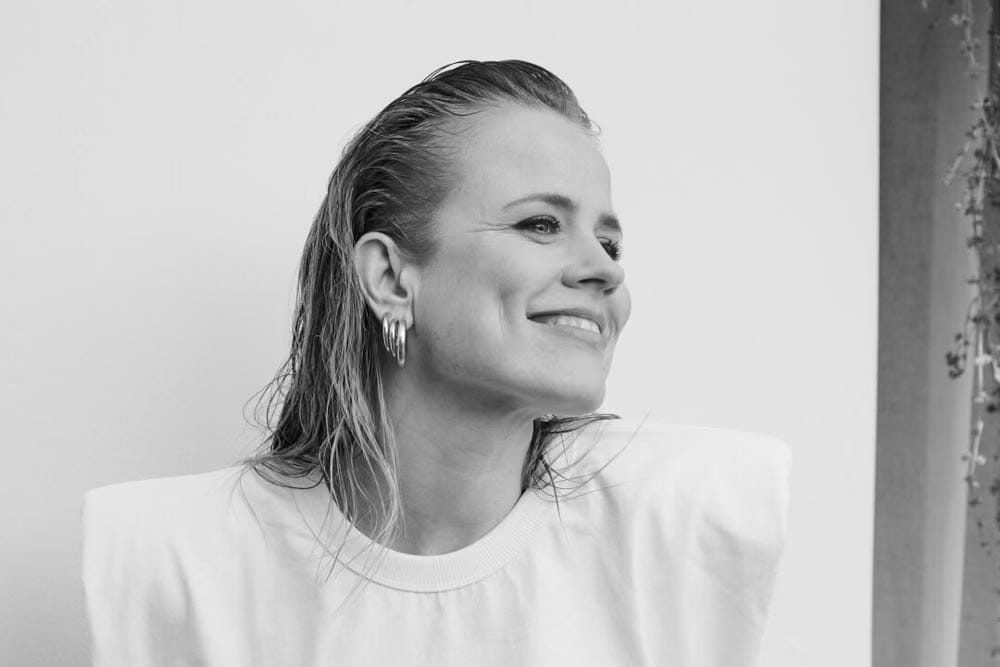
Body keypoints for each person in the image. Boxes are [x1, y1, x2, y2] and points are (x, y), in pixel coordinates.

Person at [81, 59, 791, 666]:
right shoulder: (170, 560)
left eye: (610, 244)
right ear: (391, 278)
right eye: (540, 224)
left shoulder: (701, 515)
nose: (605, 271)